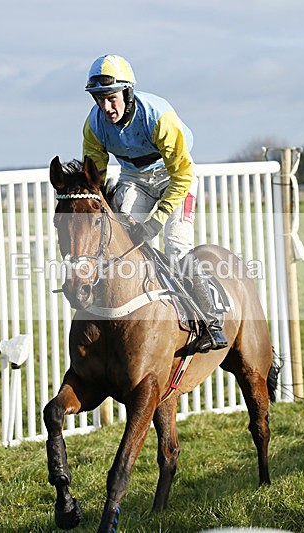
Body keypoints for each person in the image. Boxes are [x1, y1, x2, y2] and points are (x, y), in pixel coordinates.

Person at [81, 54, 227, 352]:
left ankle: (212, 323)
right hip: (134, 178)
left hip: (175, 179)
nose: (106, 107)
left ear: (127, 92)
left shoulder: (158, 117)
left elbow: (183, 175)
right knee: (117, 238)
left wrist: (156, 220)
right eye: (99, 99)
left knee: (175, 247)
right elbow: (94, 179)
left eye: (111, 98)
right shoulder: (93, 125)